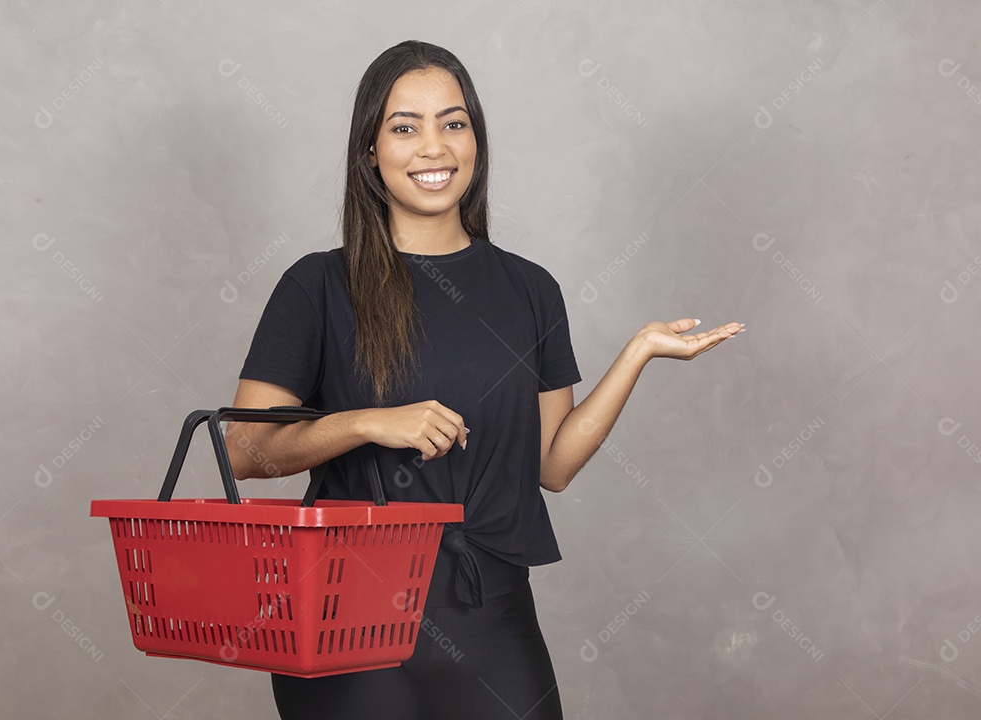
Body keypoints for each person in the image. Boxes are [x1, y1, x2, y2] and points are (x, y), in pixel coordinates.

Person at [225, 39, 743, 720]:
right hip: (347, 617)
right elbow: (245, 451)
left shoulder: (530, 290)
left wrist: (637, 353)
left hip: (492, 613)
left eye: (454, 122)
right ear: (369, 152)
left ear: (476, 139)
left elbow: (553, 467)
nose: (433, 147)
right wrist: (367, 423)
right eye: (404, 127)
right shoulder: (317, 285)